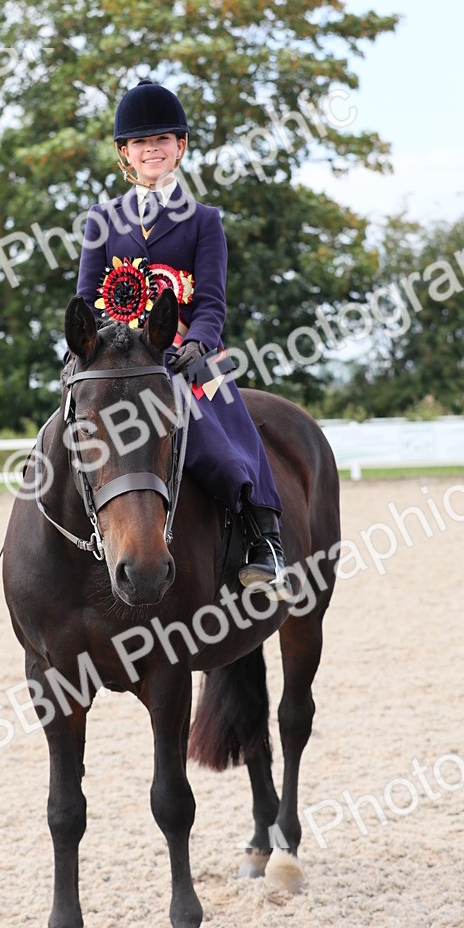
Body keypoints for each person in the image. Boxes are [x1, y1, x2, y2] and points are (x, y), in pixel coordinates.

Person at [76, 77, 288, 592]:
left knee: (218, 437)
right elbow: (86, 297)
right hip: (117, 359)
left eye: (162, 140)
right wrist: (97, 348)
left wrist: (199, 342)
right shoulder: (102, 219)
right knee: (73, 430)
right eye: (141, 143)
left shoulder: (203, 220)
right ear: (125, 153)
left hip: (185, 356)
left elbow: (211, 299)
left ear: (180, 147)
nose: (152, 149)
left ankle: (264, 535)